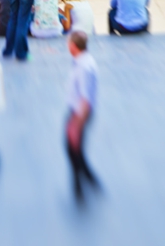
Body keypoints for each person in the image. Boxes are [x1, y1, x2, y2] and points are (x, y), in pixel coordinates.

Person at [65, 30, 99, 201]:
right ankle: (86, 181)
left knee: (74, 150)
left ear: (73, 46)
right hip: (76, 111)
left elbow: (85, 99)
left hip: (79, 113)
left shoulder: (83, 67)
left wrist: (75, 124)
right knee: (75, 150)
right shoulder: (81, 61)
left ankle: (83, 184)